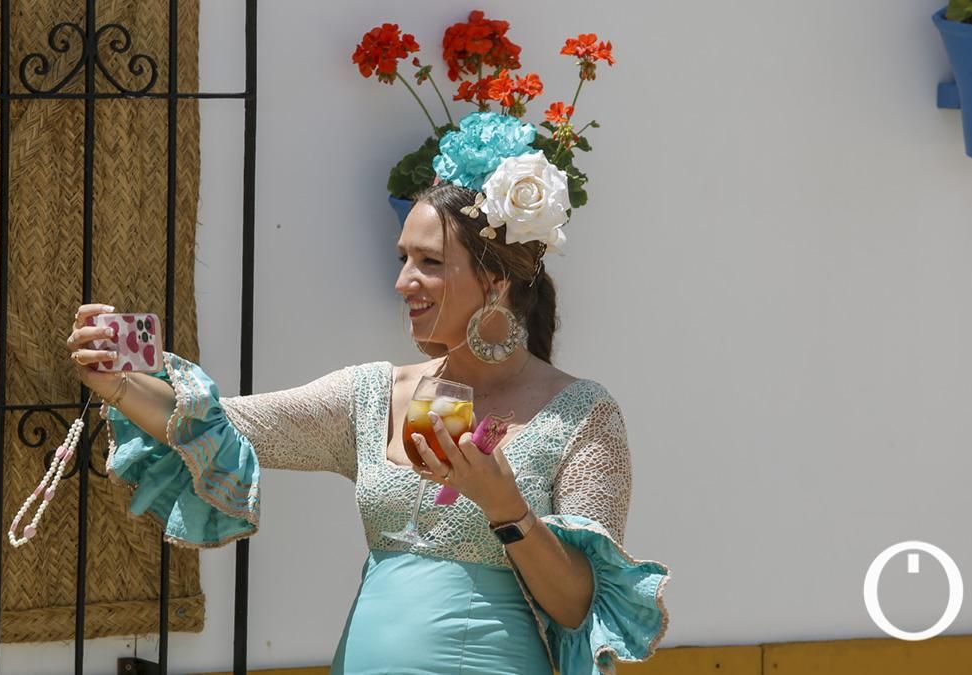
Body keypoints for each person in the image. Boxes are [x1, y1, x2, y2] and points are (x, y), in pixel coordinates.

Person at [65, 115, 670, 675]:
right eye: (403, 257)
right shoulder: (373, 395)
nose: (403, 281)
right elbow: (223, 424)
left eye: (429, 262)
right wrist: (117, 382)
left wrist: (505, 508)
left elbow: (576, 606)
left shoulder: (582, 415)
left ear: (496, 279)